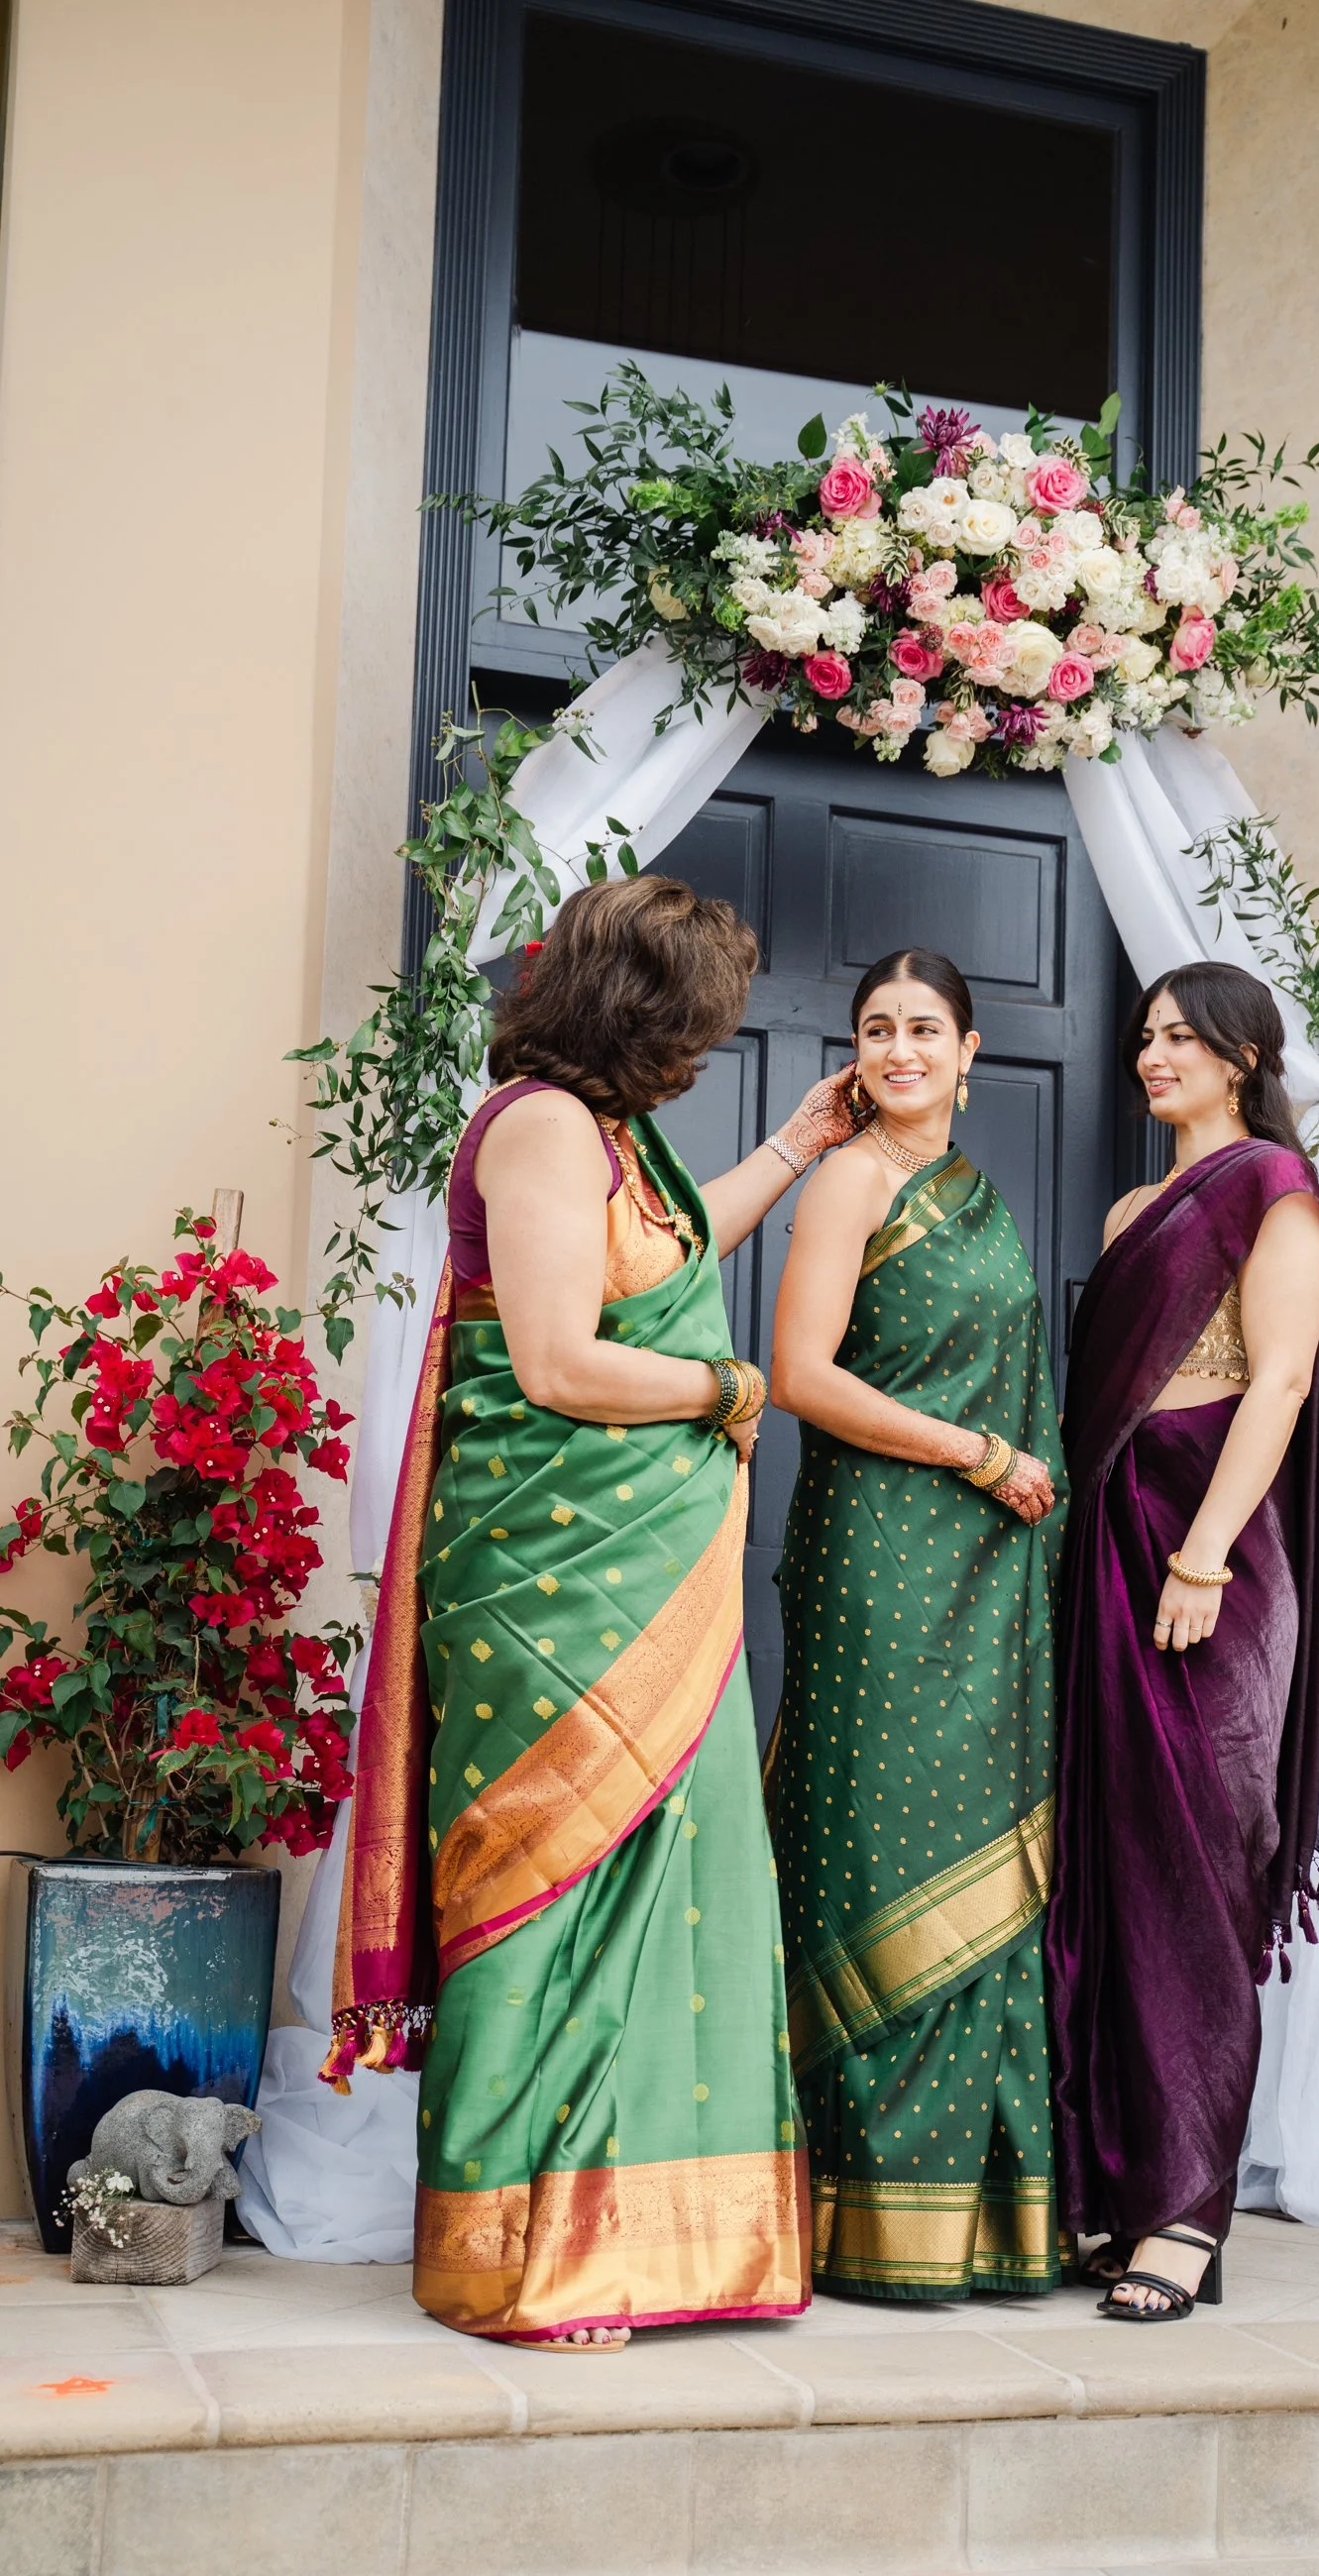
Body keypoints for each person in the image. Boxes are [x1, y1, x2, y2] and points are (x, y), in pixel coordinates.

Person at [325, 874, 863, 2346]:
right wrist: (730, 1387)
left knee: (654, 1888)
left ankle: (642, 2244)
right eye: (694, 1027)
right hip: (544, 1584)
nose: (699, 1054)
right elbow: (560, 1362)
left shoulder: (613, 1138)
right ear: (639, 1013)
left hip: (644, 1576)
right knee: (545, 1876)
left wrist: (795, 1148)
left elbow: (663, 1263)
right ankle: (508, 2257)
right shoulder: (545, 1128)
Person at [1045, 960, 1319, 2321]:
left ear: (1242, 1057)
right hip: (1112, 1531)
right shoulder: (1134, 1210)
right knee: (1111, 1867)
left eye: (1183, 1037)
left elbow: (1281, 1380)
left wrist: (1202, 1555)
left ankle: (1186, 2215)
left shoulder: (1274, 1191)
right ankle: (1121, 2189)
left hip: (1213, 1552)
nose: (1154, 1055)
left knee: (1196, 1871)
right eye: (1148, 1035)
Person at [767, 949, 1064, 2302]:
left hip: (988, 1569)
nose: (900, 1049)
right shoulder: (851, 1181)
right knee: (876, 1844)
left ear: (969, 1051)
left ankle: (980, 2218)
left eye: (924, 1028)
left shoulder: (976, 1195)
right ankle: (854, 2203)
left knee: (976, 1840)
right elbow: (799, 1375)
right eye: (878, 1028)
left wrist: (1005, 1481)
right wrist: (977, 1454)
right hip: (884, 1557)